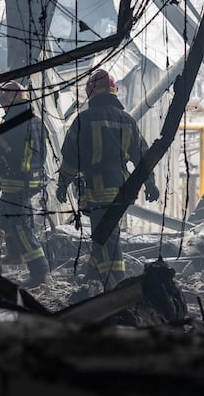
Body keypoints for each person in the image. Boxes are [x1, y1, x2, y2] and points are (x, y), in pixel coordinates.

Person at [55, 69, 159, 290]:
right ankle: (93, 276)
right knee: (103, 234)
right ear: (114, 91)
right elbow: (142, 156)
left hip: (95, 190)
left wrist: (62, 184)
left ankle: (117, 289)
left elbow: (71, 159)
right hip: (121, 191)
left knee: (107, 238)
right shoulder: (126, 120)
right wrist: (150, 183)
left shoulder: (83, 120)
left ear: (90, 93)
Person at [0, 81, 51, 288]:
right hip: (31, 180)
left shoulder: (13, 124)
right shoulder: (36, 121)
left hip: (17, 182)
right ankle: (14, 254)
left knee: (21, 227)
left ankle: (39, 272)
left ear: (6, 102)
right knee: (3, 211)